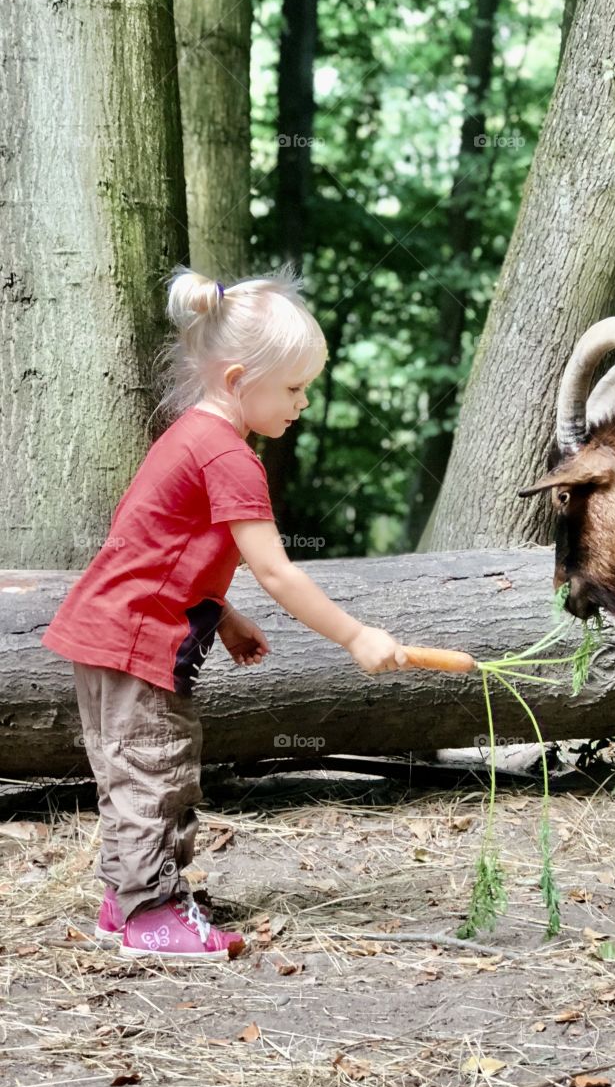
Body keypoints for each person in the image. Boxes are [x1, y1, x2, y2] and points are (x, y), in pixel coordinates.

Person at [41, 265, 407, 961]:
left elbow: (162, 548)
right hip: (136, 641)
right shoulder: (231, 457)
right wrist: (356, 635)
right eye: (295, 387)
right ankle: (152, 914)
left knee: (129, 774)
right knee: (156, 771)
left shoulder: (190, 437)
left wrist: (222, 613)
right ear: (240, 379)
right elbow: (276, 568)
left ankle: (127, 904)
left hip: (113, 630)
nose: (302, 402)